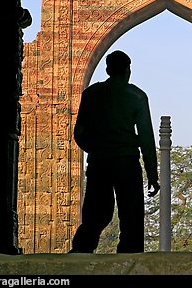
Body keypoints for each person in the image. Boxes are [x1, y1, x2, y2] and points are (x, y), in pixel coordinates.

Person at [69, 50, 160, 253]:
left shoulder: (91, 94)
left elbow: (79, 133)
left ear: (108, 70)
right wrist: (152, 175)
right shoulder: (136, 95)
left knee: (96, 212)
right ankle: (130, 257)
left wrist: (97, 149)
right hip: (126, 161)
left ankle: (81, 252)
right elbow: (146, 138)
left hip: (99, 162)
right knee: (131, 215)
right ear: (128, 70)